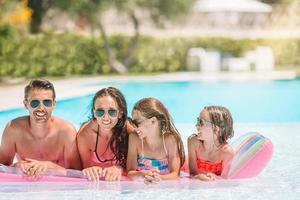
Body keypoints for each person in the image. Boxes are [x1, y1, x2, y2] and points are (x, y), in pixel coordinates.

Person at [0, 79, 82, 178]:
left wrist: (49, 166)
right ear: (26, 104)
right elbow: (2, 169)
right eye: (35, 103)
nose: (41, 108)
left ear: (53, 104)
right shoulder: (13, 129)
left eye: (47, 102)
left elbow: (78, 174)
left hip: (58, 189)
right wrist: (15, 166)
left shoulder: (66, 131)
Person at [127, 97, 185, 184]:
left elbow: (175, 174)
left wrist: (158, 178)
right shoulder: (135, 139)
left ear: (153, 121)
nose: (135, 128)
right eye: (133, 123)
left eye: (137, 123)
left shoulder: (169, 141)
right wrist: (141, 174)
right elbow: (130, 172)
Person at [77, 87, 129, 181]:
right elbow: (84, 168)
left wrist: (120, 168)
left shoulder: (128, 131)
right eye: (100, 112)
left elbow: (139, 164)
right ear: (94, 112)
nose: (105, 117)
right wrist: (90, 170)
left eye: (112, 111)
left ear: (120, 113)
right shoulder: (85, 135)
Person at [188, 106, 235, 181]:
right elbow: (192, 173)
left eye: (201, 122)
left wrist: (216, 177)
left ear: (216, 129)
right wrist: (198, 177)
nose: (196, 125)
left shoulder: (226, 152)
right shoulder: (193, 143)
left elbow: (226, 179)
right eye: (197, 121)